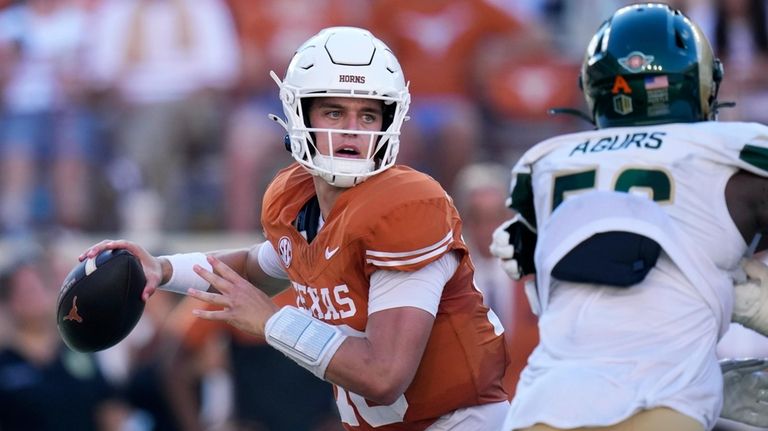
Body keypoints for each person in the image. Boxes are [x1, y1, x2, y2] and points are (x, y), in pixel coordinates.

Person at [80, 26, 512, 430]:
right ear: (298, 111)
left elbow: (384, 376)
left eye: (367, 116)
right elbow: (257, 265)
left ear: (390, 121)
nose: (350, 131)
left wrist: (270, 323)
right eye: (334, 111)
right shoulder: (296, 197)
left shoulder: (407, 205)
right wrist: (163, 269)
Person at [489, 3, 768, 431]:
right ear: (699, 81)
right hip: (661, 403)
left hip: (543, 405)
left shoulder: (543, 163)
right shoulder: (730, 150)